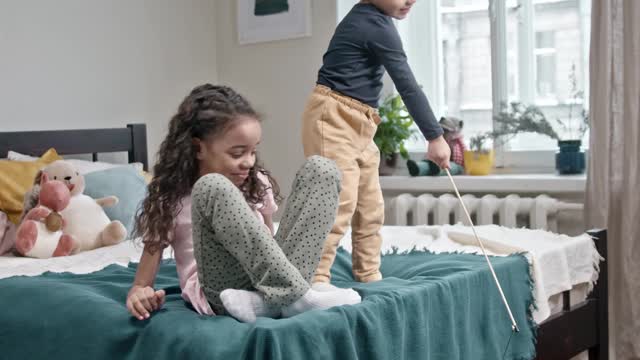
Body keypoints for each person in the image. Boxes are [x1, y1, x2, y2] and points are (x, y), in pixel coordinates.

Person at [126, 84, 360, 323]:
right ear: (198, 148)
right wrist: (140, 294)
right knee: (211, 186)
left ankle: (272, 301)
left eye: (253, 151)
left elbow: (267, 242)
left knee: (322, 169)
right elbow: (141, 284)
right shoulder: (170, 199)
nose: (249, 162)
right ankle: (298, 297)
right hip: (223, 291)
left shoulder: (256, 181)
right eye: (238, 153)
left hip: (266, 278)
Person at [301, 0, 451, 285]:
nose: (410, 0)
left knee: (370, 206)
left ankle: (369, 274)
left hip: (362, 123)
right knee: (337, 203)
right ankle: (315, 279)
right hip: (332, 118)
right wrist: (435, 136)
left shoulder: (379, 22)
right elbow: (406, 84)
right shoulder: (372, 24)